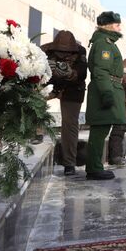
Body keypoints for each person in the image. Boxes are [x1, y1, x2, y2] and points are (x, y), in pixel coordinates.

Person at [84, 11, 126, 180]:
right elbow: (101, 70)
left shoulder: (107, 42)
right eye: (117, 24)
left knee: (101, 130)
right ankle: (94, 168)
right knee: (99, 130)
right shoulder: (104, 43)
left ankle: (94, 166)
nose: (119, 27)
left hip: (110, 87)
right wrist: (107, 93)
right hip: (106, 88)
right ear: (107, 26)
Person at [41, 31, 87, 176]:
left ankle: (69, 163)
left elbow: (82, 74)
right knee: (32, 107)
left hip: (73, 89)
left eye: (67, 52)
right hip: (49, 84)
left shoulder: (80, 51)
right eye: (60, 52)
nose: (63, 55)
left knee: (70, 124)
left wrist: (69, 73)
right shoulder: (44, 51)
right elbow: (36, 71)